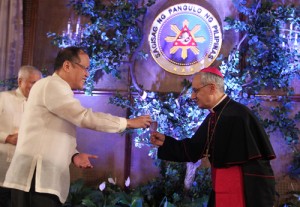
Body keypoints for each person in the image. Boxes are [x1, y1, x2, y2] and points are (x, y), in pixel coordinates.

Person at [3, 46, 152, 207]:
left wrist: (74, 155)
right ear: (67, 66)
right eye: (84, 68)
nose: (87, 74)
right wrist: (128, 122)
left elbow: (52, 131)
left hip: (38, 181)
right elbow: (83, 117)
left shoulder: (55, 88)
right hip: (35, 180)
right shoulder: (53, 85)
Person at [150, 67, 276, 207]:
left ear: (211, 88)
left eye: (196, 90)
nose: (192, 96)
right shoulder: (214, 116)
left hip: (242, 193)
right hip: (221, 189)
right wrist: (165, 142)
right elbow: (193, 149)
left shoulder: (239, 115)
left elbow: (258, 167)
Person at [0, 65, 42, 207]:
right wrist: (7, 137)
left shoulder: (41, 107)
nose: (36, 87)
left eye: (38, 84)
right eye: (32, 82)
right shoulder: (3, 98)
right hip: (2, 170)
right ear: (20, 81)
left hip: (26, 175)